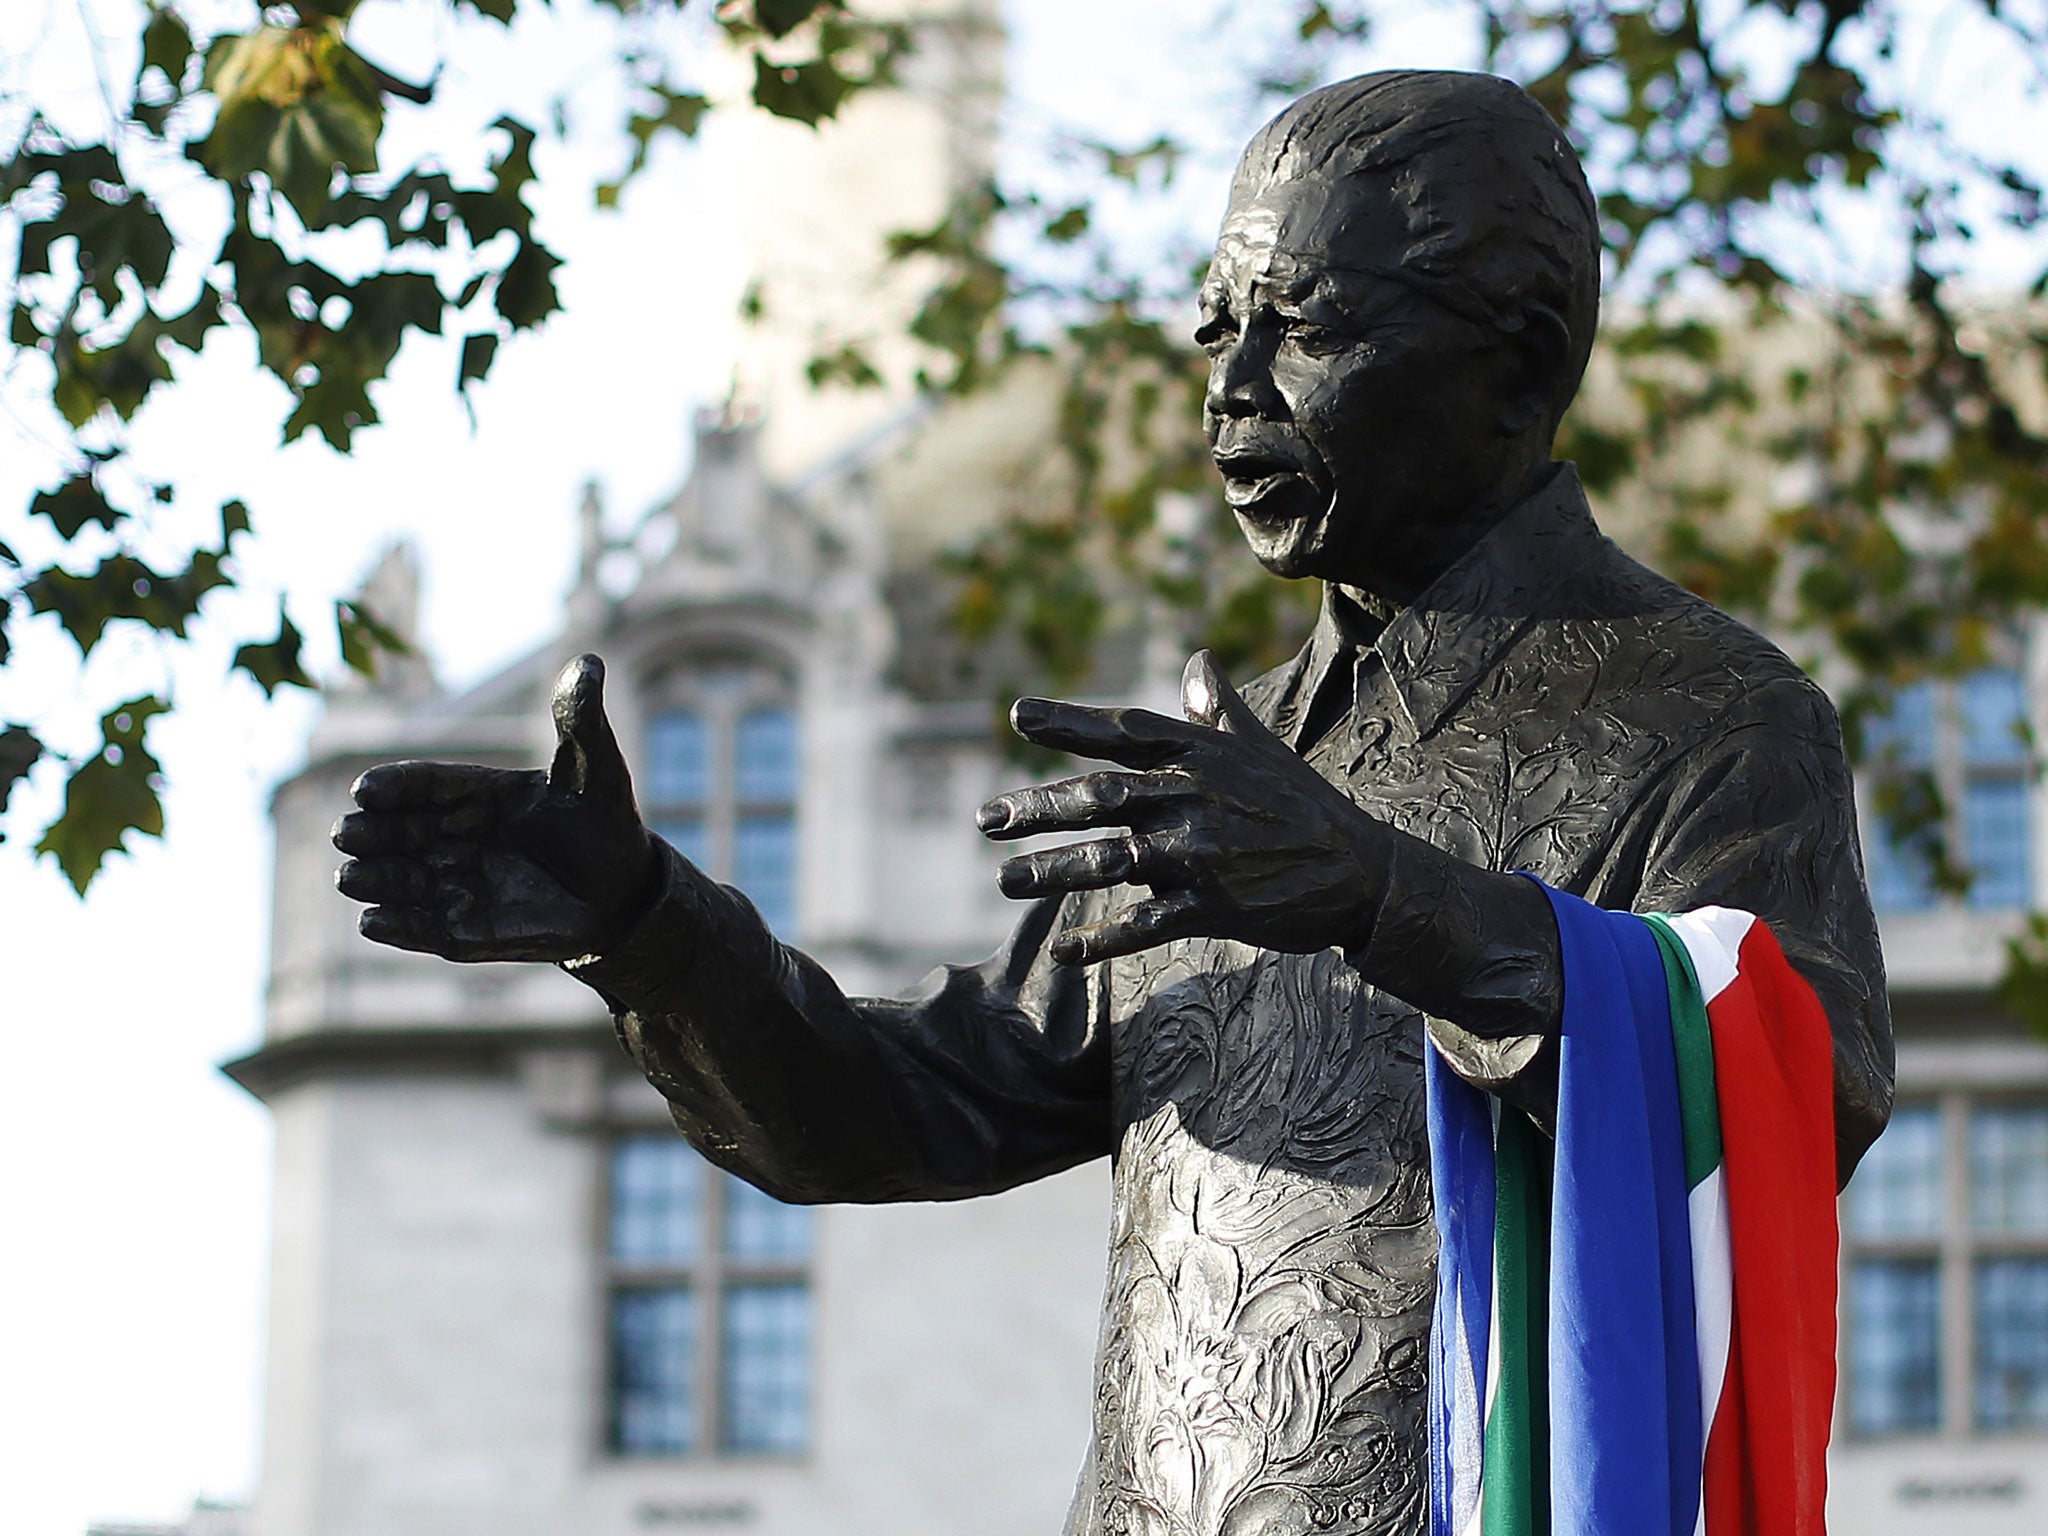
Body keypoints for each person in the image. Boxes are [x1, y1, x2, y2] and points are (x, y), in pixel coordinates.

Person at [334, 70, 1891, 1535]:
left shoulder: (1705, 714)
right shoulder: (1234, 750)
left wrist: (1382, 900)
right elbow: (907, 1105)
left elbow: (1795, 1094)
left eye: (1311, 330)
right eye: (1217, 330)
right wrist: (648, 928)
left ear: (1524, 354)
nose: (1234, 393)